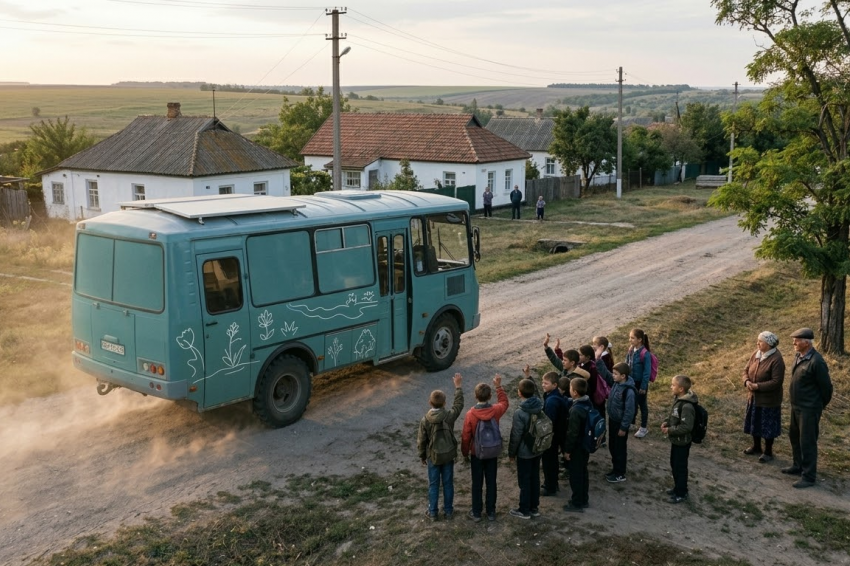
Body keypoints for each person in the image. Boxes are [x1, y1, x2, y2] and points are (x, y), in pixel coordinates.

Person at [783, 328, 833, 488]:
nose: (793, 343)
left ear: (806, 343)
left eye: (796, 340)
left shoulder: (817, 361)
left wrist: (817, 406)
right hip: (796, 406)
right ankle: (798, 466)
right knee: (794, 436)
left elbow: (826, 389)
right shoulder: (799, 356)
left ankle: (809, 476)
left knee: (807, 441)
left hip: (809, 409)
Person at [461, 374, 509, 522]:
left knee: (477, 483)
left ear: (475, 396)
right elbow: (504, 402)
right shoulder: (495, 410)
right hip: (492, 451)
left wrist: (465, 452)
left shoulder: (470, 414)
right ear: (489, 396)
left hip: (477, 453)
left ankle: (476, 512)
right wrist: (498, 386)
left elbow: (466, 436)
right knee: (491, 482)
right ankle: (491, 512)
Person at [417, 373, 464, 520]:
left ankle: (433, 512)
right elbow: (458, 405)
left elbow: (421, 440)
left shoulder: (425, 420)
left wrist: (422, 456)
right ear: (444, 403)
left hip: (433, 456)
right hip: (448, 455)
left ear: (429, 403)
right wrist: (458, 387)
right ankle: (448, 511)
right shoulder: (449, 416)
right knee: (448, 484)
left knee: (434, 484)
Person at [742, 331, 785, 463]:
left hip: (768, 400)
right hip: (754, 397)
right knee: (754, 422)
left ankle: (768, 452)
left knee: (767, 426)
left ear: (769, 344)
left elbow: (776, 381)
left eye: (760, 341)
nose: (757, 343)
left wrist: (758, 386)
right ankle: (756, 446)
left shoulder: (776, 359)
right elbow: (745, 370)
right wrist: (747, 381)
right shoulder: (756, 354)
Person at [596, 358, 636, 483]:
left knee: (619, 448)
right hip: (613, 421)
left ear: (623, 376)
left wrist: (624, 427)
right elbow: (605, 373)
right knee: (613, 446)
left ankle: (620, 473)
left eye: (615, 374)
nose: (613, 375)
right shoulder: (616, 383)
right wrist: (598, 360)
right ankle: (615, 469)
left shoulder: (629, 391)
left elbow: (629, 411)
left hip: (620, 424)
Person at [508, 378, 543, 519]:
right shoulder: (540, 405)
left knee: (524, 480)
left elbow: (516, 435)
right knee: (535, 478)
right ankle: (534, 507)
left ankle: (524, 510)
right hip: (537, 448)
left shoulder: (520, 412)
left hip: (524, 451)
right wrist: (529, 378)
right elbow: (538, 395)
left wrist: (511, 453)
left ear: (519, 393)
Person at [661, 374, 697, 503]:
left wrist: (670, 430)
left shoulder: (687, 406)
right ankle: (677, 488)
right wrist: (667, 422)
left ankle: (682, 493)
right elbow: (674, 416)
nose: (671, 387)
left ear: (681, 389)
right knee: (674, 464)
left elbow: (686, 427)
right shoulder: (678, 399)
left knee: (680, 467)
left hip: (682, 442)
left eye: (673, 385)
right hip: (676, 440)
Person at [562, 377, 592, 512]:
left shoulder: (575, 411)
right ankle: (583, 499)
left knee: (575, 475)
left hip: (577, 447)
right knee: (583, 472)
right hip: (586, 444)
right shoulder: (587, 402)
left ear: (574, 392)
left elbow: (572, 433)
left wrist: (567, 450)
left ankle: (577, 503)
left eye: (570, 388)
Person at [538, 371, 570, 496]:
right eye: (542, 382)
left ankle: (550, 487)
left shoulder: (552, 401)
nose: (543, 385)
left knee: (549, 462)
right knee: (552, 461)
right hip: (558, 434)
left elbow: (549, 422)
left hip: (552, 436)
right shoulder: (554, 395)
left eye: (546, 383)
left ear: (555, 385)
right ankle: (552, 484)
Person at [627, 328, 652, 438]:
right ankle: (632, 423)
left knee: (642, 405)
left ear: (640, 340)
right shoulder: (631, 350)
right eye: (630, 337)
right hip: (631, 382)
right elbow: (627, 363)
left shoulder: (645, 354)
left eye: (632, 338)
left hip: (640, 383)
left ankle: (643, 428)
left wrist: (643, 386)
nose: (630, 340)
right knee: (632, 402)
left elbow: (647, 372)